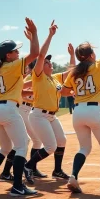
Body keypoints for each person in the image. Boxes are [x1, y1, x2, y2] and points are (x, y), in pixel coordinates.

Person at [62, 11, 100, 193]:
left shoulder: (73, 72)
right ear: (91, 55)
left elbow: (64, 92)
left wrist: (78, 92)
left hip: (78, 112)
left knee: (84, 147)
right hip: (95, 110)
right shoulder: (99, 65)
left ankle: (73, 176)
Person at [23, 20, 75, 185]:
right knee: (50, 146)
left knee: (62, 141)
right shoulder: (37, 77)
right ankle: (28, 166)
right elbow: (40, 55)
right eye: (47, 62)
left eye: (49, 61)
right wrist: (50, 35)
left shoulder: (54, 78)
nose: (49, 63)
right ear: (39, 66)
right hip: (38, 116)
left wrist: (72, 55)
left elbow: (72, 71)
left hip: (52, 116)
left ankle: (57, 170)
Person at [0, 18, 39, 196]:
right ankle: (18, 186)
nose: (18, 53)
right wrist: (34, 34)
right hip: (8, 110)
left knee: (5, 147)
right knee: (22, 145)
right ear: (8, 56)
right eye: (15, 51)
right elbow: (35, 53)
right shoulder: (10, 66)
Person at [0, 57, 47, 182]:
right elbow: (19, 93)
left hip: (26, 110)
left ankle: (23, 170)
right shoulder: (31, 77)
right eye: (42, 63)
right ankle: (17, 170)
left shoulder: (37, 77)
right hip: (21, 109)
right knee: (27, 141)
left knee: (30, 142)